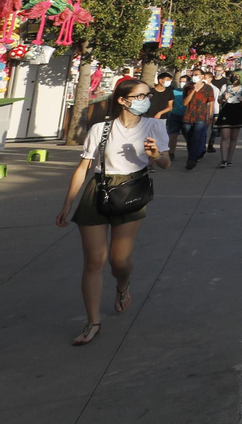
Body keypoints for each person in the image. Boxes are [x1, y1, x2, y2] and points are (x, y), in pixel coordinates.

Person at [56, 79, 171, 345]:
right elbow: (84, 167)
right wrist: (67, 203)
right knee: (94, 261)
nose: (146, 99)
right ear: (122, 100)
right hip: (98, 190)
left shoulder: (154, 126)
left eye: (147, 94)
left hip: (131, 191)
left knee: (119, 262)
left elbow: (165, 163)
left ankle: (122, 284)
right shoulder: (101, 128)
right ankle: (93, 322)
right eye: (140, 95)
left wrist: (155, 154)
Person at [181, 69, 217, 170]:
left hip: (200, 117)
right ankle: (193, 155)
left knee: (196, 137)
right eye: (193, 75)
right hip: (187, 116)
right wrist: (192, 91)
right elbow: (184, 103)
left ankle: (192, 159)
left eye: (197, 75)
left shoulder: (208, 88)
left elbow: (211, 103)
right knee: (189, 138)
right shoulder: (187, 87)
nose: (194, 76)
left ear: (202, 76)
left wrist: (209, 117)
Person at [217, 73, 242, 168]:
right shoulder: (225, 86)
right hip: (226, 110)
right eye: (234, 75)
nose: (236, 78)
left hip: (238, 110)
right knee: (224, 136)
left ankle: (229, 159)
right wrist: (224, 98)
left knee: (234, 137)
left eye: (238, 76)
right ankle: (223, 160)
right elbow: (219, 100)